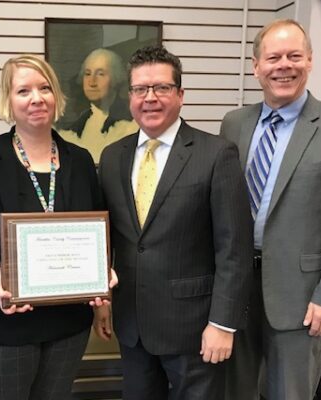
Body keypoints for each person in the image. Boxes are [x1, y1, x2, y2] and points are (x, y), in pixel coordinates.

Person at [0, 54, 115, 400]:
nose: (36, 98)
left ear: (56, 97)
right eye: (23, 91)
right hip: (2, 323)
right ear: (8, 101)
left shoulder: (80, 161)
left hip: (69, 323)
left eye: (45, 88)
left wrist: (102, 291)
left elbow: (97, 231)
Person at [220, 19, 321, 400]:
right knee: (233, 391)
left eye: (294, 56)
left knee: (290, 393)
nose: (283, 65)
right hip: (236, 290)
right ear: (256, 66)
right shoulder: (234, 124)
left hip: (303, 297)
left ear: (310, 61)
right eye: (273, 57)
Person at [94, 45, 253, 400]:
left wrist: (222, 324)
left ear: (180, 95)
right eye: (140, 89)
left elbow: (234, 249)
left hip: (195, 329)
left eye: (161, 88)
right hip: (132, 325)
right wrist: (102, 298)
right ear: (130, 96)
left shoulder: (216, 154)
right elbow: (106, 238)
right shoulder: (112, 156)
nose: (150, 98)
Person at [59, 48, 138, 162]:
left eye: (100, 74)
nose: (92, 82)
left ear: (116, 78)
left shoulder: (130, 123)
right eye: (87, 74)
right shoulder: (77, 125)